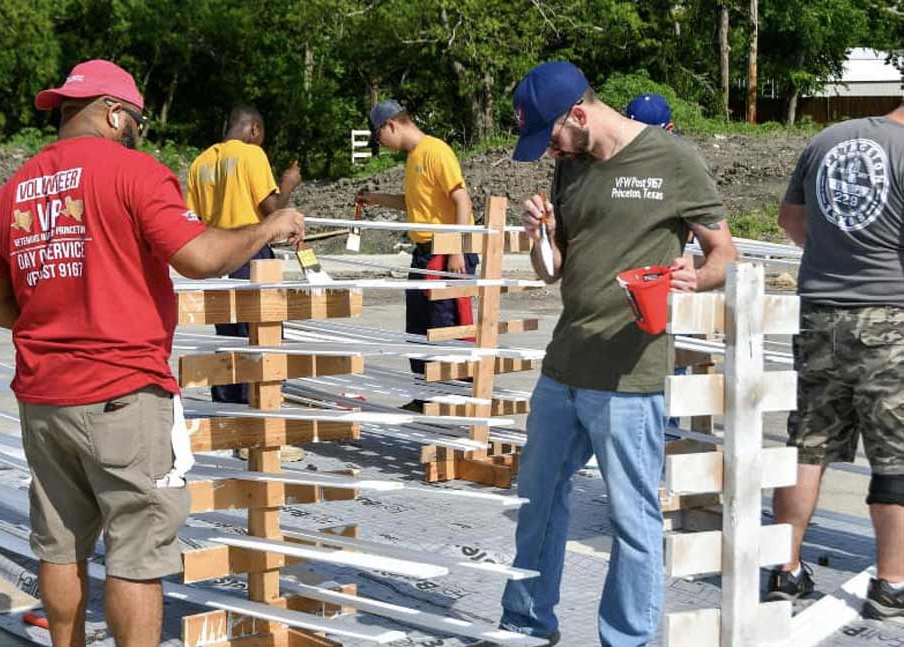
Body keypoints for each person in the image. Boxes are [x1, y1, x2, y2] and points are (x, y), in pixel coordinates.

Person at [0, 59, 304, 647]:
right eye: (136, 120)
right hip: (124, 393)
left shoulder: (13, 192)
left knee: (60, 544)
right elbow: (198, 256)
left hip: (44, 397)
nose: (137, 131)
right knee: (137, 552)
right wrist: (266, 230)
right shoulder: (134, 174)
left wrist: (51, 318)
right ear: (114, 113)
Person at [500, 61, 738, 646]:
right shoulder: (571, 170)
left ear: (578, 115)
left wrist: (695, 277)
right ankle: (526, 627)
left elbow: (724, 255)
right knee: (537, 505)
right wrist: (539, 239)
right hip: (564, 368)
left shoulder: (673, 162)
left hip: (630, 379)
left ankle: (626, 640)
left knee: (632, 521)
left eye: (551, 136)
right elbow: (551, 274)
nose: (550, 151)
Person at [768, 103, 904, 620]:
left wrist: (835, 256)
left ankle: (786, 569)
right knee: (895, 453)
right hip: (890, 316)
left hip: (820, 311)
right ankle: (891, 585)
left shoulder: (828, 138)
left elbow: (791, 221)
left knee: (808, 444)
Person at [356, 100, 478, 400]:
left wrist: (456, 249)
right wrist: (376, 198)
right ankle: (425, 398)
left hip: (446, 253)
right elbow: (413, 204)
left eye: (379, 136)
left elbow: (461, 199)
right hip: (424, 253)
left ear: (391, 125)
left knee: (446, 327)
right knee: (419, 328)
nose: (381, 144)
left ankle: (454, 402)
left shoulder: (436, 151)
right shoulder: (413, 159)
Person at [187, 106, 302, 404]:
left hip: (214, 258)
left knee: (228, 338)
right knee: (261, 337)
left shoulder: (199, 164)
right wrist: (287, 184)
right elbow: (272, 210)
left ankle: (228, 411)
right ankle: (261, 412)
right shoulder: (251, 155)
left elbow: (192, 218)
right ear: (254, 129)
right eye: (261, 134)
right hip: (250, 255)